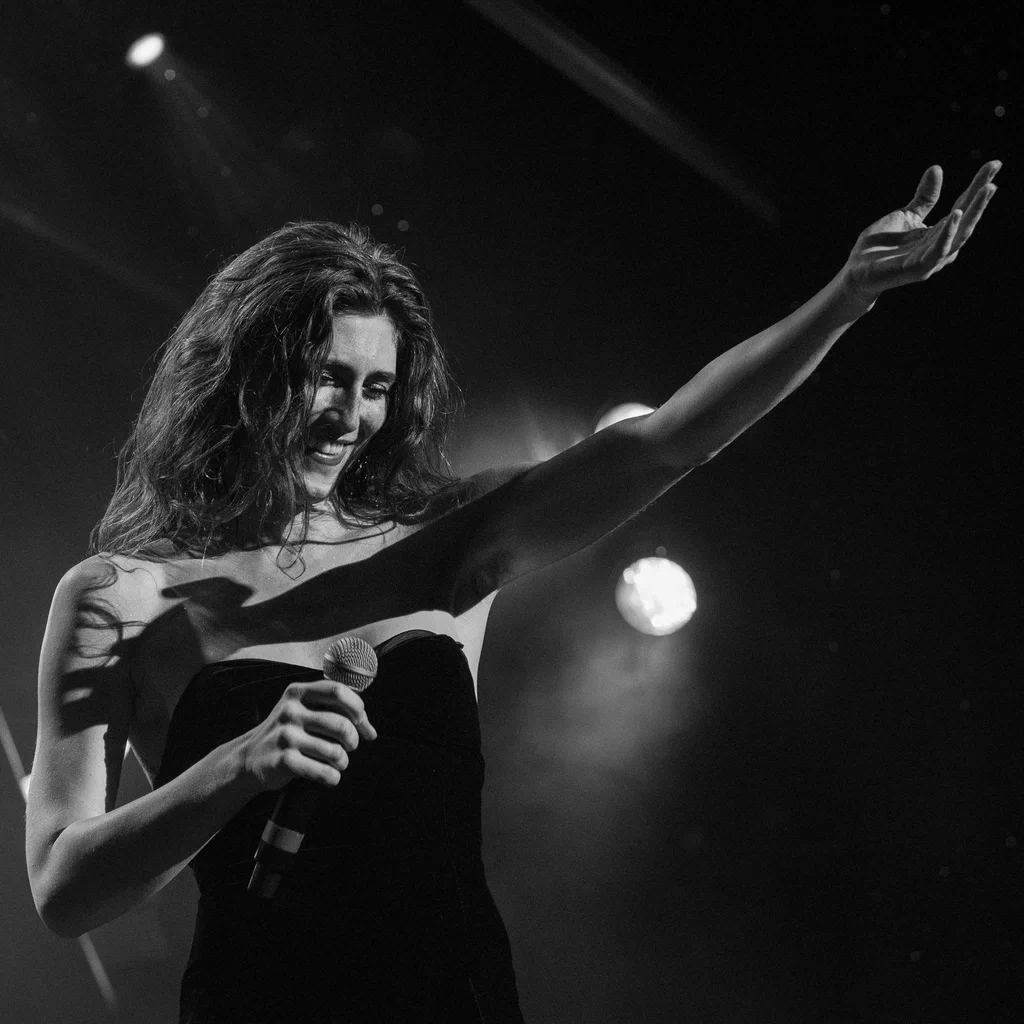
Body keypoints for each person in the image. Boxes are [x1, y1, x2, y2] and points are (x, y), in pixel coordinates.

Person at [25, 160, 999, 1023]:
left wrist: (845, 296)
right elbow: (65, 886)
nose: (351, 418)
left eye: (375, 389)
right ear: (245, 373)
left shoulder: (446, 543)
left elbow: (669, 440)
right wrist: (235, 765)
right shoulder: (122, 595)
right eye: (325, 379)